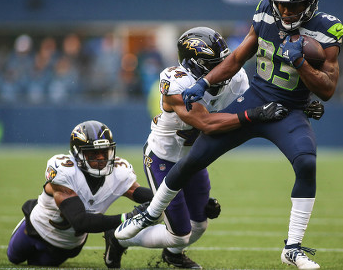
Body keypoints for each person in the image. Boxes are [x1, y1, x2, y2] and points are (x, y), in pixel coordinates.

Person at [115, 0, 342, 270]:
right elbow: (237, 58)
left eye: (293, 5)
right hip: (258, 96)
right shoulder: (265, 11)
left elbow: (327, 89)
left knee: (306, 163)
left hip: (289, 108)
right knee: (197, 157)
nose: (285, 12)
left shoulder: (329, 28)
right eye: (281, 4)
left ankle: (293, 247)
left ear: (310, 2)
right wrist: (204, 83)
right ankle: (151, 213)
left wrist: (300, 63)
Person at [107, 26, 290, 269]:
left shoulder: (235, 78)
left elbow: (261, 102)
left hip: (193, 159)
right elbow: (206, 123)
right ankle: (117, 239)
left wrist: (300, 105)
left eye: (224, 60)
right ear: (194, 64)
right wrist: (253, 115)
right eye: (215, 63)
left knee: (200, 225)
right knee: (179, 233)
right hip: (164, 158)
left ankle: (172, 255)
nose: (224, 67)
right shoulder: (176, 81)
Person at [7, 120, 153, 267]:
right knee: (13, 258)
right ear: (78, 153)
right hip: (36, 227)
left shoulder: (119, 172)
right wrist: (127, 218)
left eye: (104, 151)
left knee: (37, 264)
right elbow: (80, 222)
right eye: (94, 153)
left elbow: (136, 191)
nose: (101, 158)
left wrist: (169, 196)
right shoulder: (65, 171)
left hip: (66, 244)